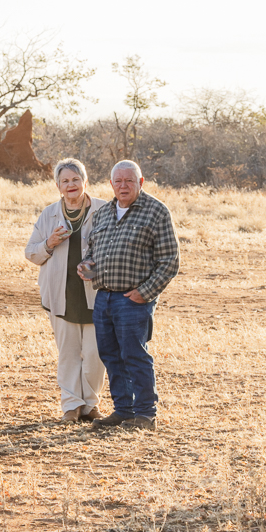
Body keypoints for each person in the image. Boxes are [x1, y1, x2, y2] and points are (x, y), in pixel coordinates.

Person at [78, 160, 179, 430]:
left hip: (133, 300)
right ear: (111, 184)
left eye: (129, 181)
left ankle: (145, 414)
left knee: (135, 355)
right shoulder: (102, 214)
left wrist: (145, 293)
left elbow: (170, 261)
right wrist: (86, 265)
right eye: (118, 181)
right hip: (104, 298)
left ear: (140, 182)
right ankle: (123, 410)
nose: (123, 186)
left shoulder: (156, 211)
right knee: (110, 355)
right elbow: (92, 252)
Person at [25, 158, 107, 423]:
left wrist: (98, 266)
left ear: (85, 182)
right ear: (58, 186)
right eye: (65, 181)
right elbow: (32, 254)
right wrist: (49, 243)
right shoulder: (49, 214)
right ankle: (71, 406)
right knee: (69, 353)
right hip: (61, 294)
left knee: (96, 354)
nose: (71, 185)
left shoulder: (104, 210)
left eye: (75, 179)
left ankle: (90, 405)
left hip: (97, 292)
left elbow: (116, 248)